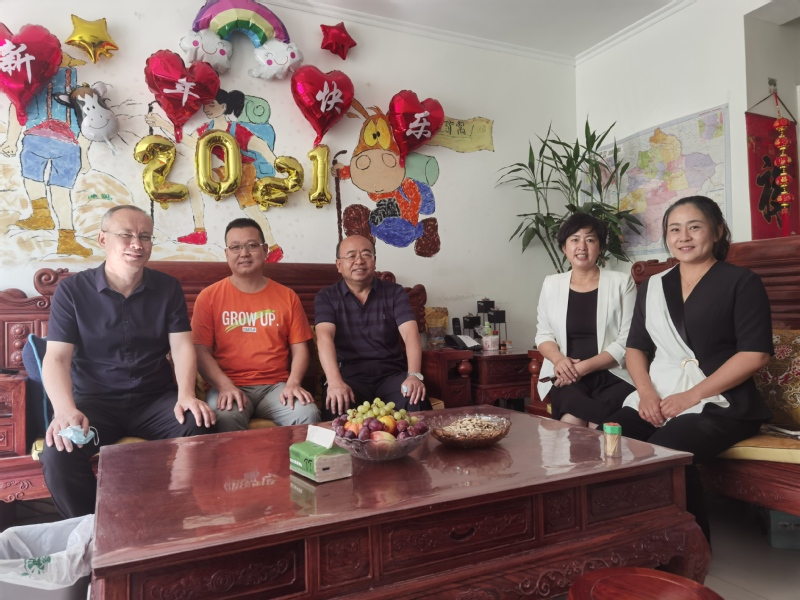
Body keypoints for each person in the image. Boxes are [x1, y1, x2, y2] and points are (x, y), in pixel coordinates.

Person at [605, 195, 773, 542]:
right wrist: (646, 394)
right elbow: (636, 347)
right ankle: (622, 537)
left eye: (694, 227)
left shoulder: (742, 282)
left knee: (665, 453)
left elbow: (755, 354)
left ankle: (690, 547)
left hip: (722, 403)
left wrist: (690, 397)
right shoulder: (653, 286)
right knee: (608, 443)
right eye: (674, 229)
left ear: (718, 231)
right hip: (659, 394)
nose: (684, 237)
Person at [40, 205, 216, 518]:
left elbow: (181, 347)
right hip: (95, 404)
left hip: (154, 400)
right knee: (58, 453)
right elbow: (56, 358)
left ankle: (173, 517)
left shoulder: (167, 287)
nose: (137, 244)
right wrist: (65, 410)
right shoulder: (72, 290)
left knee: (199, 424)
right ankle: (92, 530)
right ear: (102, 239)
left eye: (145, 237)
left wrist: (187, 395)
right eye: (126, 235)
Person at [191, 218, 319, 430]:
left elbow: (300, 349)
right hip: (228, 384)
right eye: (235, 247)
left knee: (307, 413)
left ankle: (295, 455)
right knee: (222, 415)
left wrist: (293, 383)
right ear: (226, 253)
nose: (244, 253)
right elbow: (200, 352)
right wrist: (224, 385)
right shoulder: (208, 297)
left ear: (265, 250)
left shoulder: (287, 296)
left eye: (252, 245)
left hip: (276, 387)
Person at [144, 89, 284, 262]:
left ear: (223, 106)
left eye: (211, 105)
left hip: (244, 172)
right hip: (225, 172)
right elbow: (190, 141)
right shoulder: (207, 128)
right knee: (194, 184)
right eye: (205, 105)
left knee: (252, 210)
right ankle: (200, 232)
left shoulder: (236, 129)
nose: (207, 109)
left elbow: (260, 146)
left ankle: (274, 248)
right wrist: (163, 124)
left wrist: (279, 166)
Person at [535, 214, 636, 427]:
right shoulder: (551, 284)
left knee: (596, 425)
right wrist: (559, 361)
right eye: (574, 239)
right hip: (566, 375)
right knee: (571, 422)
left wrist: (582, 369)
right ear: (564, 247)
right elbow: (544, 335)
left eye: (590, 240)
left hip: (613, 374)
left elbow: (628, 340)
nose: (582, 246)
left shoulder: (622, 282)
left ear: (600, 247)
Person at [315, 234, 431, 419]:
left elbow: (410, 334)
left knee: (415, 398)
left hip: (391, 375)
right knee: (335, 405)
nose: (359, 261)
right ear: (339, 264)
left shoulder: (395, 293)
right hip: (349, 376)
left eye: (366, 254)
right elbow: (324, 337)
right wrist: (334, 381)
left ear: (374, 261)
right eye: (351, 256)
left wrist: (414, 375)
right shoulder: (327, 297)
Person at [1, 51, 92, 257]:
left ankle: (47, 220)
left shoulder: (30, 89)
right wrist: (83, 154)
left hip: (43, 139)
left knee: (36, 180)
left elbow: (17, 110)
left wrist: (11, 141)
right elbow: (90, 124)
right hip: (62, 143)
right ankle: (60, 233)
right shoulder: (79, 92)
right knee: (55, 189)